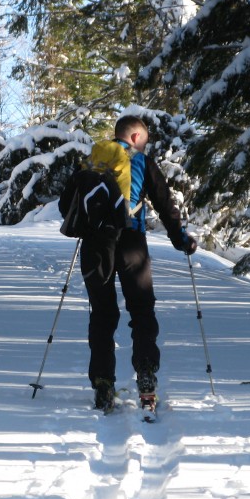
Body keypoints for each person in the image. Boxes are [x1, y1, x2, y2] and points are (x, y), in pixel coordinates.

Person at [63, 114, 197, 413]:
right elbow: (165, 204)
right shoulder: (140, 162)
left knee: (102, 313)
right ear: (135, 137)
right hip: (132, 242)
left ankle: (102, 383)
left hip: (95, 246)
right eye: (145, 139)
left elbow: (66, 205)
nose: (146, 144)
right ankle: (146, 372)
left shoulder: (91, 162)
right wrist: (181, 240)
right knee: (141, 309)